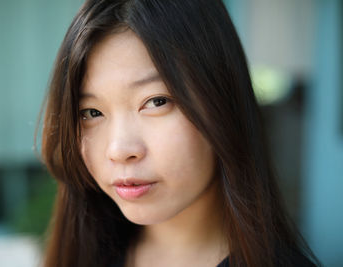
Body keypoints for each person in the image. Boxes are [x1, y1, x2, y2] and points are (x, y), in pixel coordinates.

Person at [40, 0, 320, 266]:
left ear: (221, 102)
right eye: (91, 112)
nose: (119, 149)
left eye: (156, 102)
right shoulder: (80, 257)